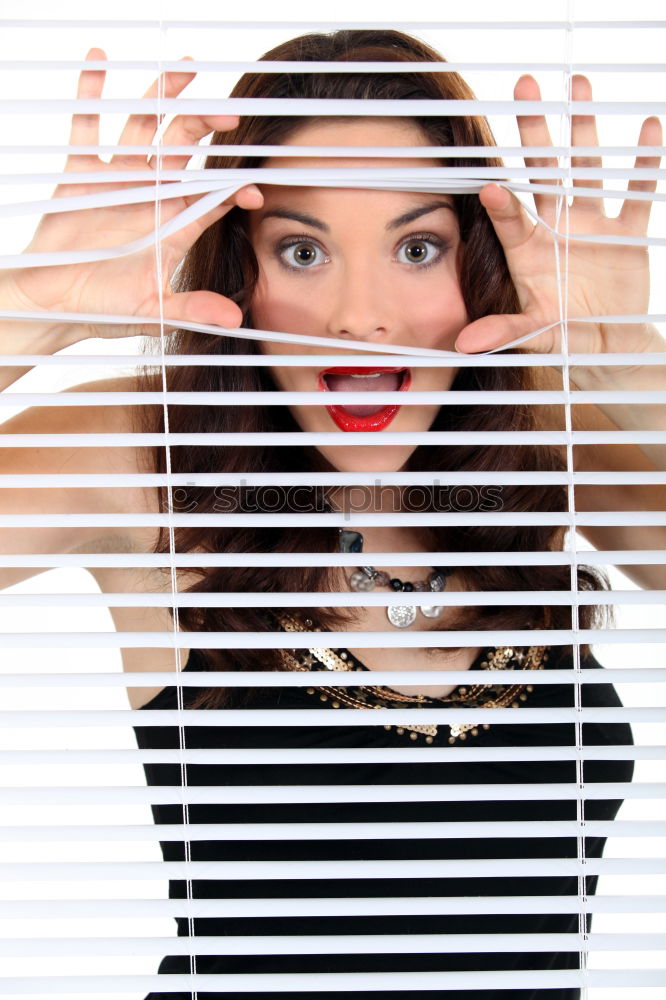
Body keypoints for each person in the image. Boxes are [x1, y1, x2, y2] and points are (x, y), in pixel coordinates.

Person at [0, 27, 663, 1000]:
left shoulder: (545, 455)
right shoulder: (144, 459)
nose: (361, 316)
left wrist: (639, 371)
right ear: (242, 272)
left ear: (480, 266)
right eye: (303, 250)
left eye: (417, 246)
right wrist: (26, 310)